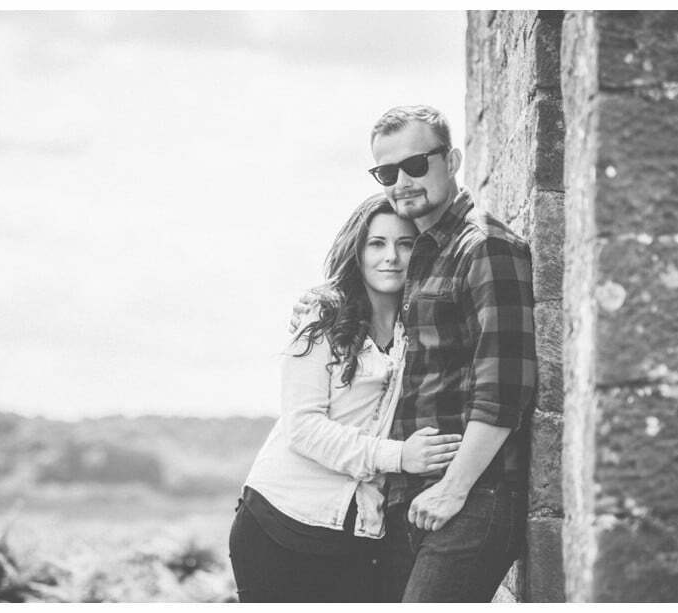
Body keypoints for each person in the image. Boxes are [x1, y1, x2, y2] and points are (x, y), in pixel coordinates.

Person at [290, 105, 537, 602]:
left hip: (472, 496)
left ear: (453, 159)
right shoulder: (423, 254)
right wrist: (323, 303)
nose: (402, 181)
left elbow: (506, 384)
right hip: (412, 497)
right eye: (387, 171)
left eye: (417, 165)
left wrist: (456, 487)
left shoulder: (484, 247)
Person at [229, 194, 463, 603]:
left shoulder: (422, 327)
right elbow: (303, 429)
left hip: (359, 532)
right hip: (279, 522)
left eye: (405, 243)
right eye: (377, 243)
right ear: (357, 250)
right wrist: (399, 456)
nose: (391, 256)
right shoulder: (322, 321)